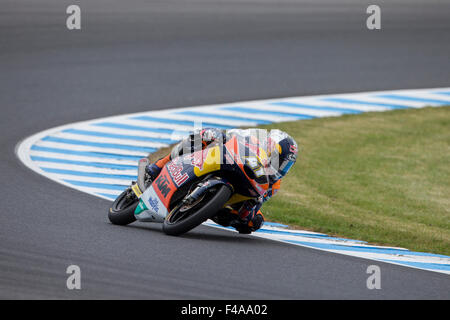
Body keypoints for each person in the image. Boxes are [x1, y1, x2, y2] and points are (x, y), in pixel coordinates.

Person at [145, 128, 298, 234]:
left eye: (286, 165)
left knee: (253, 222)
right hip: (222, 160)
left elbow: (256, 202)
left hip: (232, 198)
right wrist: (223, 137)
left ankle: (206, 206)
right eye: (280, 161)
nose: (282, 167)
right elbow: (233, 135)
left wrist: (250, 214)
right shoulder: (252, 140)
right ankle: (159, 166)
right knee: (208, 134)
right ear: (270, 148)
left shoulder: (274, 184)